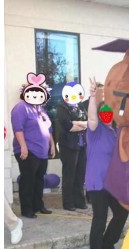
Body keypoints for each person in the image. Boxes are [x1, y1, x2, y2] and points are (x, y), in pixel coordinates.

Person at [85, 77, 129, 249]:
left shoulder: (116, 131)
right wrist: (93, 97)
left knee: (121, 212)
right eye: (105, 111)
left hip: (112, 182)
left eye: (110, 112)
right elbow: (92, 117)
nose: (107, 115)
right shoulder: (95, 130)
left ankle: (107, 244)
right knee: (100, 217)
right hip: (96, 181)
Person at [11, 73, 56, 219]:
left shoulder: (41, 110)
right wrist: (23, 146)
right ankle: (27, 209)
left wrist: (52, 145)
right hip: (28, 151)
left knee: (39, 180)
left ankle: (38, 206)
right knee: (28, 180)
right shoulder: (20, 108)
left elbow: (48, 129)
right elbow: (18, 128)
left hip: (42, 152)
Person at [56, 82, 88, 211]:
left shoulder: (80, 106)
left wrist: (77, 122)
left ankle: (79, 201)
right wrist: (80, 124)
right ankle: (68, 203)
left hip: (82, 145)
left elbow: (88, 122)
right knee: (70, 175)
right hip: (68, 146)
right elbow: (68, 126)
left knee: (80, 174)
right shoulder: (62, 107)